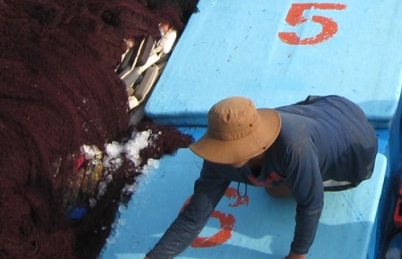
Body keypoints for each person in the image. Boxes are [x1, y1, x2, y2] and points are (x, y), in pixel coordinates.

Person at [145, 95, 377, 259]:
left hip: (356, 153)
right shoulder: (217, 159)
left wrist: (298, 253)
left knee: (278, 190)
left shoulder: (293, 148)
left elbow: (311, 203)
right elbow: (193, 217)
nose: (227, 156)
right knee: (273, 188)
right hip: (327, 105)